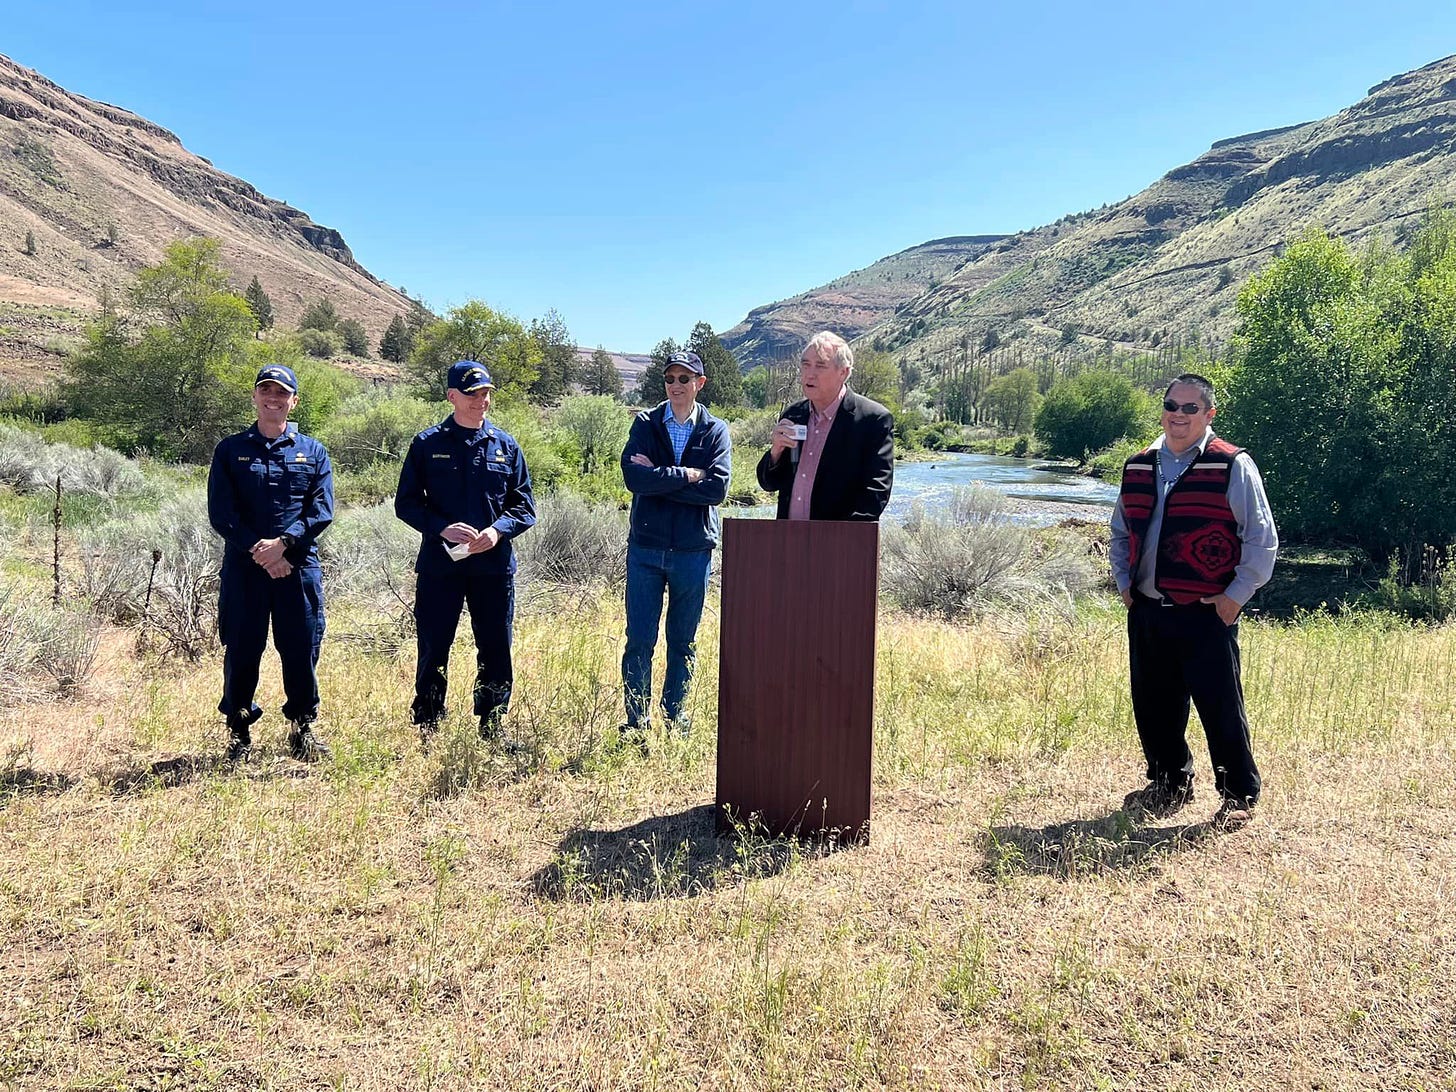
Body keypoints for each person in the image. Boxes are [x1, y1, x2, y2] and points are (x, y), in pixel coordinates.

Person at [1110, 373, 1278, 831]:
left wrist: (1233, 598)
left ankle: (1239, 794)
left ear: (1209, 415)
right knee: (1154, 705)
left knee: (1220, 705)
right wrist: (1125, 583)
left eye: (1190, 408)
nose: (1178, 415)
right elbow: (1120, 531)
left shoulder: (1232, 465)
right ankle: (1169, 783)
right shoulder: (1139, 465)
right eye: (1172, 405)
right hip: (1147, 608)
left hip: (1207, 612)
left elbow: (1262, 539)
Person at [395, 360, 536, 740]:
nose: (482, 400)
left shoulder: (506, 446)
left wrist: (497, 531)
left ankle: (492, 722)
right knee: (434, 643)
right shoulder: (428, 444)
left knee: (495, 645)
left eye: (487, 393)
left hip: (493, 566)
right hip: (441, 567)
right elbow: (406, 504)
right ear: (452, 396)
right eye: (473, 393)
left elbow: (524, 508)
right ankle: (427, 719)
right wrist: (441, 527)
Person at [207, 364, 334, 763]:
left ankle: (302, 727)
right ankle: (239, 731)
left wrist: (284, 546)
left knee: (300, 647)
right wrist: (261, 553)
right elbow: (221, 513)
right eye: (266, 390)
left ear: (294, 401)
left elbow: (321, 510)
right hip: (245, 569)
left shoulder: (313, 452)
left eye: (282, 393)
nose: (273, 398)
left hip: (298, 567)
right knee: (243, 648)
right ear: (255, 396)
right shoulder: (230, 450)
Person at [619, 349, 732, 738]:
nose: (676, 386)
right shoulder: (646, 424)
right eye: (670, 379)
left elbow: (716, 489)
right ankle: (635, 721)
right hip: (646, 549)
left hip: (693, 551)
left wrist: (662, 480)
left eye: (685, 379)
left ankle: (675, 717)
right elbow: (635, 479)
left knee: (682, 639)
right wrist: (688, 475)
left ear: (699, 383)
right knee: (639, 639)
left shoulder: (715, 430)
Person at [756, 330, 893, 521]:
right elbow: (769, 484)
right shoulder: (793, 414)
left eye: (820, 366)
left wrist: (839, 538)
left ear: (843, 372)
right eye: (806, 365)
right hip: (788, 542)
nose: (810, 374)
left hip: (839, 544)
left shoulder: (872, 419)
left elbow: (876, 492)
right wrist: (775, 454)